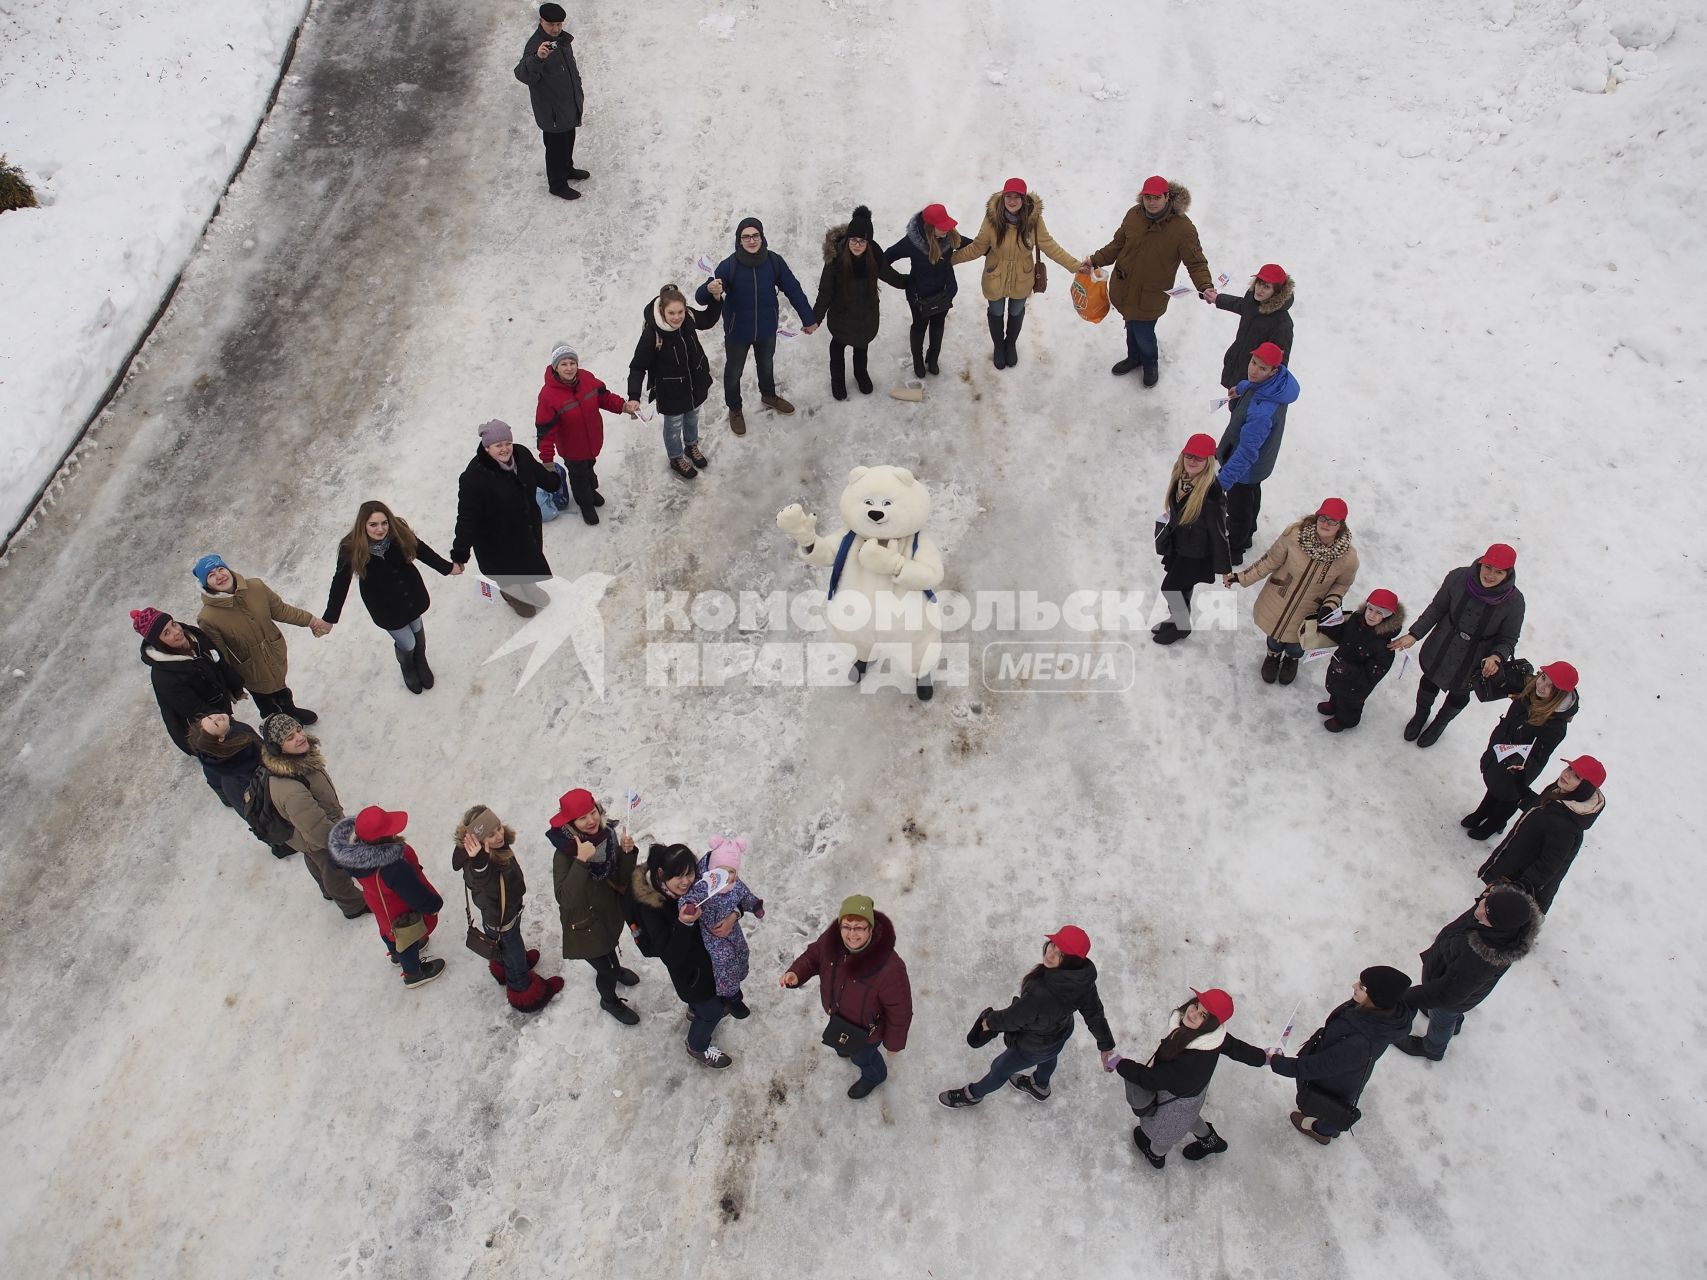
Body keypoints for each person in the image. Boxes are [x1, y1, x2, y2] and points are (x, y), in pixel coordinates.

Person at [937, 925, 1115, 1109]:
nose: (1051, 954)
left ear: (1071, 961)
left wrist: (988, 1022)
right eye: (1053, 945)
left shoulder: (1042, 993)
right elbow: (1095, 1015)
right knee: (1049, 1055)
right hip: (1059, 1033)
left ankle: (972, 1095)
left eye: (1060, 954)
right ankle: (1039, 1085)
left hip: (1034, 1045)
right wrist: (1107, 1046)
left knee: (999, 1069)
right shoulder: (1082, 979)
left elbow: (1012, 1018)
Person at [1107, 988, 1267, 1169]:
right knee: (1188, 1117)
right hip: (1191, 1095)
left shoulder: (1190, 1061)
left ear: (1212, 1024)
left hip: (1174, 1102)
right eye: (1196, 1005)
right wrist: (1265, 1057)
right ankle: (1211, 1142)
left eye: (1203, 1015)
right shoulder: (1213, 1038)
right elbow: (1239, 1049)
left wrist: (1119, 1063)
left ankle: (1156, 1155)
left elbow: (1152, 1079)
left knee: (1164, 1133)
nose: (1192, 1013)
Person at [1391, 543, 1526, 748]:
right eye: (1488, 567)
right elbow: (1437, 608)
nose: (1490, 575)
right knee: (1429, 681)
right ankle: (1420, 716)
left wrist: (1496, 656)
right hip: (1442, 644)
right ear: (1481, 563)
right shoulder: (1458, 578)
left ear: (1508, 574)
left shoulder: (1515, 602)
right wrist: (1415, 634)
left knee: (1459, 693)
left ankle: (1439, 724)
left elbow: (1508, 638)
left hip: (1474, 659)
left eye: (1498, 572)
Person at [1083, 175, 1212, 386]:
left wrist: (1205, 286)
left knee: (1144, 333)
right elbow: (1116, 245)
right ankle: (1134, 358)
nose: (1151, 202)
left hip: (1150, 295)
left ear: (1167, 197)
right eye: (1147, 197)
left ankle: (1150, 363)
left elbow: (1196, 263)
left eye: (1156, 198)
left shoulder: (1183, 229)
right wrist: (1095, 260)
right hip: (1125, 287)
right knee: (1130, 325)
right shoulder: (1134, 215)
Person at [695, 217, 819, 437]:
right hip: (737, 333)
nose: (751, 240)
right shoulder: (729, 265)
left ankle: (768, 395)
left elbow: (793, 289)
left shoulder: (774, 262)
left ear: (762, 237)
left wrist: (808, 318)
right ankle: (735, 409)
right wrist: (710, 288)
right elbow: (701, 298)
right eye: (746, 236)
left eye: (755, 235)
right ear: (739, 240)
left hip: (766, 329)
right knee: (734, 372)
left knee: (766, 365)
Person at [783, 894, 913, 1100]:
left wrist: (894, 1043)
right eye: (846, 926)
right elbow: (813, 956)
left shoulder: (890, 968)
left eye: (859, 927)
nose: (852, 934)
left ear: (870, 928)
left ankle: (875, 1076)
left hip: (868, 1032)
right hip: (838, 1017)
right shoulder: (831, 940)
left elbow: (900, 1010)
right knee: (843, 1043)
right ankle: (844, 1046)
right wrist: (796, 973)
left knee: (862, 1057)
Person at [324, 500, 462, 694]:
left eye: (384, 523)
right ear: (362, 525)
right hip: (385, 605)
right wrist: (330, 618)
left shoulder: (398, 530)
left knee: (417, 627)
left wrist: (448, 568)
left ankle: (420, 659)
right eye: (373, 524)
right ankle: (407, 666)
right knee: (408, 641)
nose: (380, 529)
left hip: (410, 593)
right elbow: (340, 582)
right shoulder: (351, 547)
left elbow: (420, 550)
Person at [1265, 966, 1414, 1144]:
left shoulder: (1361, 1042)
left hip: (1337, 1081)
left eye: (1362, 987)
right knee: (1333, 1105)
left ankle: (1322, 1131)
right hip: (1348, 1071)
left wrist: (1278, 1063)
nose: (1354, 986)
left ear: (1377, 998)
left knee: (1331, 1108)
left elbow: (1320, 1066)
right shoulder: (1380, 1012)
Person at [1395, 887, 1542, 1062]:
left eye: (1486, 916)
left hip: (1452, 999)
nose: (1477, 911)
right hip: (1452, 978)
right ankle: (1448, 1020)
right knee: (1440, 1011)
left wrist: (1408, 997)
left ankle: (1433, 1048)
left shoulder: (1480, 960)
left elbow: (1446, 994)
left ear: (1499, 927)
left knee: (1443, 1017)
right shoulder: (1498, 916)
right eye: (1484, 902)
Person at [1225, 498, 1358, 686]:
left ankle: (1291, 660)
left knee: (1297, 642)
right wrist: (1242, 577)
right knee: (1275, 634)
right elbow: (1270, 560)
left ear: (1341, 525)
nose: (1326, 524)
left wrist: (1330, 604)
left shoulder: (1348, 558)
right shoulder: (1294, 535)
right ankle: (1272, 655)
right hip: (1279, 598)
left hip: (1309, 609)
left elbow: (1342, 585)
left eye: (1332, 521)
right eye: (1323, 518)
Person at [952, 178, 1082, 370]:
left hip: (1022, 277)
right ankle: (999, 346)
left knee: (1016, 311)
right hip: (995, 276)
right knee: (996, 311)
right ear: (1003, 197)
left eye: (1016, 197)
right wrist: (948, 261)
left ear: (1023, 199)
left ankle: (1010, 343)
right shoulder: (992, 218)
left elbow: (1050, 246)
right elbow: (977, 247)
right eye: (1008, 196)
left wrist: (1076, 266)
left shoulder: (1033, 220)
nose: (1012, 201)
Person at [192, 554, 329, 724]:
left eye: (221, 569)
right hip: (251, 669)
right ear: (206, 584)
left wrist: (311, 621)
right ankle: (275, 727)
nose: (219, 576)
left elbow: (281, 610)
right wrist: (232, 685)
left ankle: (290, 710)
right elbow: (220, 655)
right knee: (266, 702)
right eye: (211, 575)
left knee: (281, 688)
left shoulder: (255, 587)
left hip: (274, 652)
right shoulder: (208, 617)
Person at [454, 806, 564, 1013]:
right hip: (501, 922)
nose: (499, 836)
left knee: (512, 947)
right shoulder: (478, 865)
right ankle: (522, 988)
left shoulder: (496, 849)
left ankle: (508, 964)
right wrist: (480, 862)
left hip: (508, 912)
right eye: (491, 834)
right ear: (477, 842)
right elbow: (482, 881)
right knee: (511, 948)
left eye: (498, 828)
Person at [627, 843, 729, 1065]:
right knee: (712, 1010)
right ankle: (697, 1045)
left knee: (706, 1005)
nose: (686, 881)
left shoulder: (688, 886)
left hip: (705, 960)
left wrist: (733, 916)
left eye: (690, 873)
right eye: (678, 877)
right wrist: (684, 923)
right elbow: (670, 956)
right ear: (662, 874)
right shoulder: (652, 908)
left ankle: (695, 1011)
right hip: (690, 975)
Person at [259, 713, 369, 918]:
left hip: (307, 835)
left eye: (298, 730)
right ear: (277, 747)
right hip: (319, 835)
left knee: (315, 860)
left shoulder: (298, 762)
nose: (299, 737)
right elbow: (317, 830)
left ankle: (327, 890)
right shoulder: (292, 790)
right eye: (289, 738)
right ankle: (353, 905)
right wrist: (341, 843)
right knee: (334, 868)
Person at [548, 788, 643, 1025]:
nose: (590, 821)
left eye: (592, 813)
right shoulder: (565, 854)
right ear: (571, 823)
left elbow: (621, 879)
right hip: (585, 926)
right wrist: (581, 861)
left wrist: (627, 853)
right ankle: (609, 1000)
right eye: (582, 818)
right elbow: (565, 898)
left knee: (610, 949)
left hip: (607, 913)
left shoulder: (607, 835)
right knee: (605, 970)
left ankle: (616, 968)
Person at [450, 420, 562, 617]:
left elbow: (538, 474)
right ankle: (513, 595)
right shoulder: (473, 478)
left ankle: (529, 587)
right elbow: (467, 517)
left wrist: (552, 481)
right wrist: (460, 553)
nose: (505, 449)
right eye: (498, 445)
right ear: (486, 448)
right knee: (506, 571)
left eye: (507, 443)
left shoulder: (521, 455)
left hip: (525, 527)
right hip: (495, 538)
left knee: (528, 560)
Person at [328, 806, 446, 989]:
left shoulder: (353, 858)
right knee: (405, 936)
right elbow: (414, 894)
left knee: (387, 929)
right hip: (399, 909)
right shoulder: (393, 868)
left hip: (379, 903)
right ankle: (413, 973)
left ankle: (395, 954)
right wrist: (433, 904)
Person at [1462, 661, 1581, 838]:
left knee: (1509, 794)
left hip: (1519, 765)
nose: (1542, 685)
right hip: (1502, 750)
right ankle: (1483, 811)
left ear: (1559, 695)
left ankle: (1495, 823)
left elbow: (1538, 756)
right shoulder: (1529, 693)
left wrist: (1520, 771)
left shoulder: (1555, 725)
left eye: (1550, 686)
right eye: (1543, 678)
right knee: (1495, 784)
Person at [1477, 756, 1605, 913]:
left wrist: (1517, 888)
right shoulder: (1559, 793)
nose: (1567, 774)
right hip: (1511, 867)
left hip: (1518, 885)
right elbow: (1537, 808)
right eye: (1569, 768)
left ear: (1585, 787)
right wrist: (1520, 781)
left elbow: (1548, 866)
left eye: (1577, 776)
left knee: (1489, 918)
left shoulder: (1567, 826)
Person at [533, 343, 639, 525]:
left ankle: (592, 490)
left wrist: (623, 407)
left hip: (593, 441)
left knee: (590, 468)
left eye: (572, 363)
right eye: (563, 364)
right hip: (572, 449)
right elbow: (545, 432)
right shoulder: (548, 396)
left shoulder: (587, 379)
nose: (569, 368)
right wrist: (547, 460)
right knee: (579, 476)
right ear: (555, 367)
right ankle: (585, 504)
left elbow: (604, 397)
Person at [627, 281, 723, 479]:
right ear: (662, 311)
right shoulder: (652, 334)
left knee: (692, 418)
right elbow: (637, 366)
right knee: (673, 427)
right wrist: (633, 396)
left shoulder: (689, 317)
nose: (677, 317)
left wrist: (715, 299)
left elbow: (708, 319)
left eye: (680, 311)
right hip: (670, 391)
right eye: (671, 313)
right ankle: (676, 457)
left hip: (695, 383)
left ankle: (691, 446)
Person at [1215, 341, 1300, 563]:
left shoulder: (1262, 413)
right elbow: (1255, 386)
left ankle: (1236, 547)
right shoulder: (1277, 384)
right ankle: (1249, 530)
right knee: (1251, 495)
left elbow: (1246, 453)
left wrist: (1223, 481)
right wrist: (1242, 388)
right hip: (1262, 463)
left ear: (1273, 371)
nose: (1253, 370)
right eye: (1253, 363)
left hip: (1247, 467)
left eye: (1262, 368)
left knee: (1238, 505)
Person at [812, 205, 909, 400]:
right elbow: (825, 291)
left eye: (862, 241)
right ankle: (837, 380)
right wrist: (815, 318)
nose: (857, 245)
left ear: (868, 242)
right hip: (841, 314)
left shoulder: (874, 255)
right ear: (848, 239)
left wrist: (916, 282)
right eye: (854, 240)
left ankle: (860, 374)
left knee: (861, 347)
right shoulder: (836, 258)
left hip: (866, 315)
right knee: (837, 348)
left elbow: (893, 277)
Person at [1151, 433, 1231, 645]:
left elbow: (1219, 533)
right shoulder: (1181, 478)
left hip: (1195, 554)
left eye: (1199, 458)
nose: (1193, 461)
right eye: (1189, 455)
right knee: (1182, 588)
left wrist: (1225, 569)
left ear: (1209, 462)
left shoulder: (1212, 494)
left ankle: (1181, 626)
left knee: (1170, 588)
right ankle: (1178, 620)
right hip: (1180, 547)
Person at [132, 607, 245, 755]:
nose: (177, 631)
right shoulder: (165, 679)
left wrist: (236, 686)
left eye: (173, 624)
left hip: (216, 706)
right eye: (166, 633)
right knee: (232, 750)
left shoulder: (195, 636)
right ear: (159, 643)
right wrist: (226, 723)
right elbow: (197, 711)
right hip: (202, 728)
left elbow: (218, 660)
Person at [678, 837, 765, 1020]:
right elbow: (689, 898)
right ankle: (731, 997)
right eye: (722, 872)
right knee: (723, 959)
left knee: (742, 950)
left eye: (732, 872)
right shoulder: (704, 885)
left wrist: (755, 905)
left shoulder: (735, 884)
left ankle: (738, 979)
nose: (727, 877)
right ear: (712, 871)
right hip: (711, 933)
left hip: (731, 928)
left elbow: (745, 895)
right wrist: (688, 907)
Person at [186, 711, 290, 857]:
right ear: (221, 739)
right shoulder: (239, 765)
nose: (216, 717)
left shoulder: (232, 731)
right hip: (265, 808)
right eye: (215, 723)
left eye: (210, 717)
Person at [513, 3, 587, 201]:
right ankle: (557, 184)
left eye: (559, 24)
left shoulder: (562, 41)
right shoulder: (535, 46)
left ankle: (567, 169)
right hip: (552, 111)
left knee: (568, 139)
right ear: (541, 21)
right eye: (550, 24)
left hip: (567, 105)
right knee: (555, 148)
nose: (555, 29)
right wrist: (538, 58)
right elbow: (522, 74)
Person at [884, 203, 962, 378]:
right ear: (929, 228)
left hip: (943, 293)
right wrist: (900, 281)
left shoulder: (949, 237)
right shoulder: (912, 242)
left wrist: (990, 249)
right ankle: (918, 360)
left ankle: (932, 359)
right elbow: (886, 258)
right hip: (919, 297)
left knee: (938, 325)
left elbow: (970, 244)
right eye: (942, 227)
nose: (946, 230)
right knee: (919, 327)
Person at [1315, 589, 1405, 732]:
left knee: (1349, 704)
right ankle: (1334, 704)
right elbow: (1342, 636)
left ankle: (1345, 720)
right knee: (1337, 690)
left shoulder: (1384, 646)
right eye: (1370, 609)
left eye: (1379, 613)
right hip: (1339, 672)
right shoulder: (1356, 620)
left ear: (1387, 617)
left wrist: (1347, 669)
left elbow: (1372, 675)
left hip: (1355, 687)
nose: (1371, 615)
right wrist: (1327, 625)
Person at [1204, 263, 1295, 394]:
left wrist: (1247, 388)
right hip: (1236, 366)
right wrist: (1218, 299)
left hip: (1254, 381)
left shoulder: (1282, 324)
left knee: (1242, 412)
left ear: (1277, 292)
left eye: (1266, 287)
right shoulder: (1253, 301)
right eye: (1259, 283)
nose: (1259, 290)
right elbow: (1241, 305)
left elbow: (1279, 365)